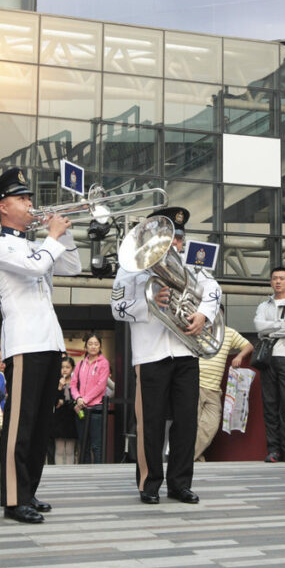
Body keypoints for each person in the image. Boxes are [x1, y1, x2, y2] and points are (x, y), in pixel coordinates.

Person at [0, 167, 82, 524]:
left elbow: (72, 265)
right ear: (3, 206)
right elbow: (36, 268)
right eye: (22, 199)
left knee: (42, 424)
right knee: (20, 424)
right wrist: (52, 237)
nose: (30, 204)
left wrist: (64, 232)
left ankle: (29, 490)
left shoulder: (35, 244)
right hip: (24, 342)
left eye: (29, 198)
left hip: (50, 340)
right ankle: (13, 497)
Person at [111, 206, 220, 506]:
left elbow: (213, 289)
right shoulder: (130, 267)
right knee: (151, 421)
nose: (177, 245)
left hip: (185, 350)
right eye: (171, 239)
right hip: (150, 354)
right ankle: (149, 483)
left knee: (187, 421)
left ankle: (180, 483)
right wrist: (149, 304)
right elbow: (116, 308)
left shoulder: (193, 267)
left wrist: (203, 314)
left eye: (179, 239)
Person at [253, 266, 285, 463]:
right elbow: (258, 327)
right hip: (267, 359)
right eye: (274, 278)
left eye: (282, 279)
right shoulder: (264, 305)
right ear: (270, 282)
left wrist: (271, 329)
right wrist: (282, 326)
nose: (278, 282)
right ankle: (273, 450)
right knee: (270, 404)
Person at [194, 310, 253, 462]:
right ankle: (194, 458)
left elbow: (249, 346)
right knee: (191, 426)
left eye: (217, 315)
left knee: (210, 426)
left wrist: (239, 356)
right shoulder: (197, 329)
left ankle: (189, 457)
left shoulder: (229, 333)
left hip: (214, 389)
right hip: (195, 384)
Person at [72, 333, 112, 464]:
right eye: (90, 344)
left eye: (96, 344)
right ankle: (85, 473)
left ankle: (98, 473)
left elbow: (101, 386)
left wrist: (85, 399)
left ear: (100, 346)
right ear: (85, 346)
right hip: (81, 408)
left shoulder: (104, 363)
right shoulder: (80, 364)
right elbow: (73, 384)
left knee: (96, 445)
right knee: (84, 444)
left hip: (96, 408)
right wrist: (78, 398)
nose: (93, 346)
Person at [49, 356, 78, 465]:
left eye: (67, 367)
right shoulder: (55, 382)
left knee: (70, 450)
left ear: (72, 369)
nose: (64, 370)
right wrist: (59, 388)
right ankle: (58, 473)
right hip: (58, 419)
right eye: (62, 367)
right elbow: (54, 402)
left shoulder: (76, 383)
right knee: (60, 450)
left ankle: (69, 474)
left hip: (72, 418)